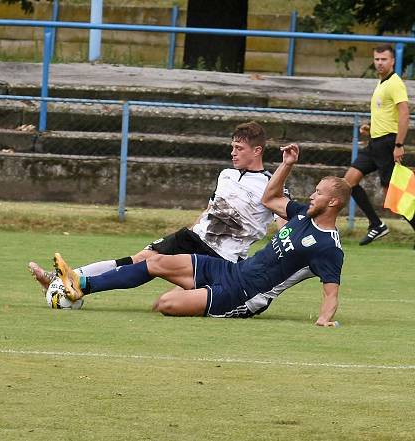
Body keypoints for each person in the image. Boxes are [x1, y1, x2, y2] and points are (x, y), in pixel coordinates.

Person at [54, 144, 349, 325]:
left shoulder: (328, 246)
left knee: (165, 305)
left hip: (242, 295)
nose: (312, 196)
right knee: (154, 261)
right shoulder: (301, 214)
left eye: (319, 194)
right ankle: (83, 285)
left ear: (333, 202)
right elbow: (270, 198)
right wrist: (286, 165)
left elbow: (330, 292)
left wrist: (324, 320)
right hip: (231, 270)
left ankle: (81, 283)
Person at [29, 121, 299, 299]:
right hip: (194, 237)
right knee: (138, 258)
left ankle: (73, 286)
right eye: (232, 147)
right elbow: (210, 209)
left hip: (222, 255)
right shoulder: (226, 174)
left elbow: (282, 223)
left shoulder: (269, 185)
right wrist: (190, 231)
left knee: (154, 272)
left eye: (239, 148)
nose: (233, 152)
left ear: (257, 151)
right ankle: (61, 280)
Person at [344, 43, 413, 245]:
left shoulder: (395, 83)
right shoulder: (381, 83)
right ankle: (376, 225)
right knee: (348, 183)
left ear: (392, 61)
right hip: (375, 143)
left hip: (388, 144)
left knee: (394, 196)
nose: (380, 63)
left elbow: (404, 114)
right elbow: (386, 114)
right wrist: (370, 127)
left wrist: (399, 145)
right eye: (377, 59)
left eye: (384, 59)